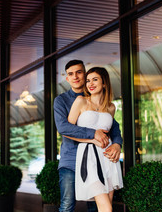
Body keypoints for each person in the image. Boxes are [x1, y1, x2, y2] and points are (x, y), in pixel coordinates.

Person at [54, 60, 122, 212]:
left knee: (97, 206)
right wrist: (93, 134)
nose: (75, 77)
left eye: (79, 72)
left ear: (84, 74)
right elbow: (64, 128)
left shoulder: (106, 104)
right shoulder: (63, 100)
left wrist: (117, 144)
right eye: (70, 74)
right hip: (72, 159)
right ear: (67, 78)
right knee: (67, 205)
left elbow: (113, 128)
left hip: (102, 158)